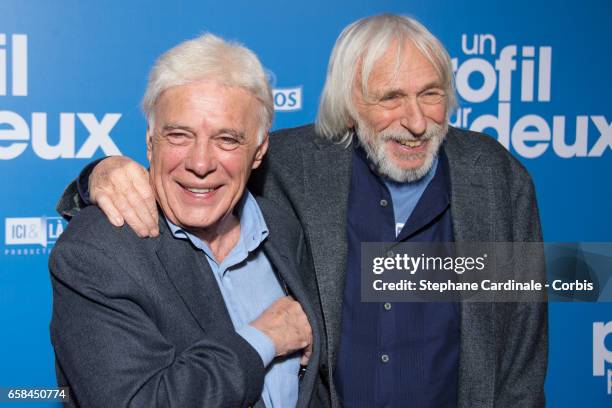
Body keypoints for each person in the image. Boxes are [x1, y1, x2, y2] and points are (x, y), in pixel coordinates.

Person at [57, 14, 547, 408]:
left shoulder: (494, 179)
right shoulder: (297, 167)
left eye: (431, 94)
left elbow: (522, 343)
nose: (416, 121)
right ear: (352, 102)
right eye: (391, 97)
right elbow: (197, 162)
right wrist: (98, 175)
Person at [50, 33, 327, 408]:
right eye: (179, 135)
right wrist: (265, 338)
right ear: (151, 142)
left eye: (227, 139)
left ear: (259, 151)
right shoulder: (97, 251)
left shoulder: (280, 225)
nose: (200, 164)